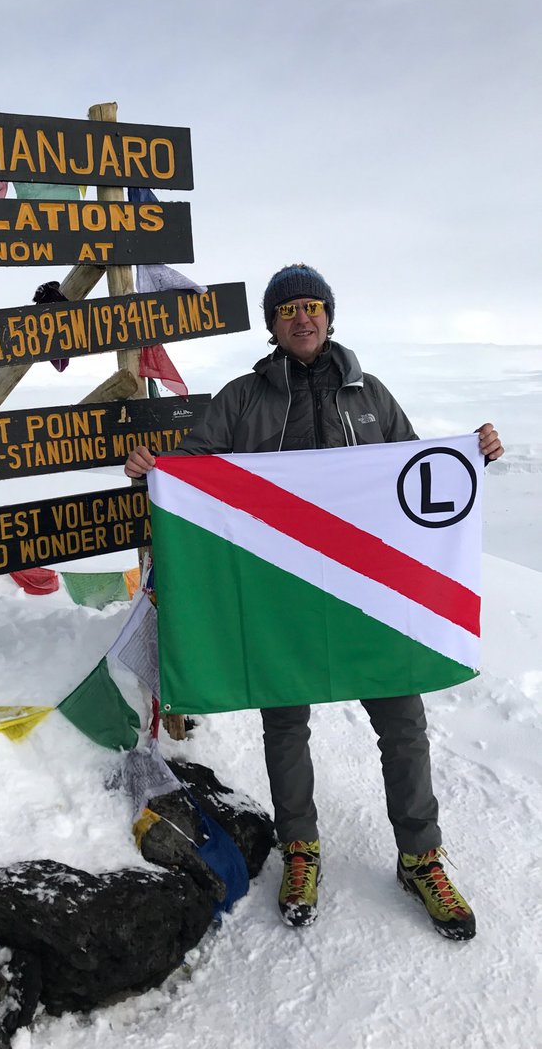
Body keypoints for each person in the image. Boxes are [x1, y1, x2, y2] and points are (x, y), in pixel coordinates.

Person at [125, 264, 503, 940]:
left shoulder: (371, 395)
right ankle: (301, 848)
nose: (304, 317)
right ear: (273, 324)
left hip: (370, 589)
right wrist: (159, 473)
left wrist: (470, 456)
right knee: (285, 723)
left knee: (402, 720)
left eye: (314, 307)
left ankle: (420, 858)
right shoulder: (242, 398)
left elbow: (414, 473)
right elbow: (196, 467)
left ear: (329, 317)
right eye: (290, 309)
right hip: (280, 587)